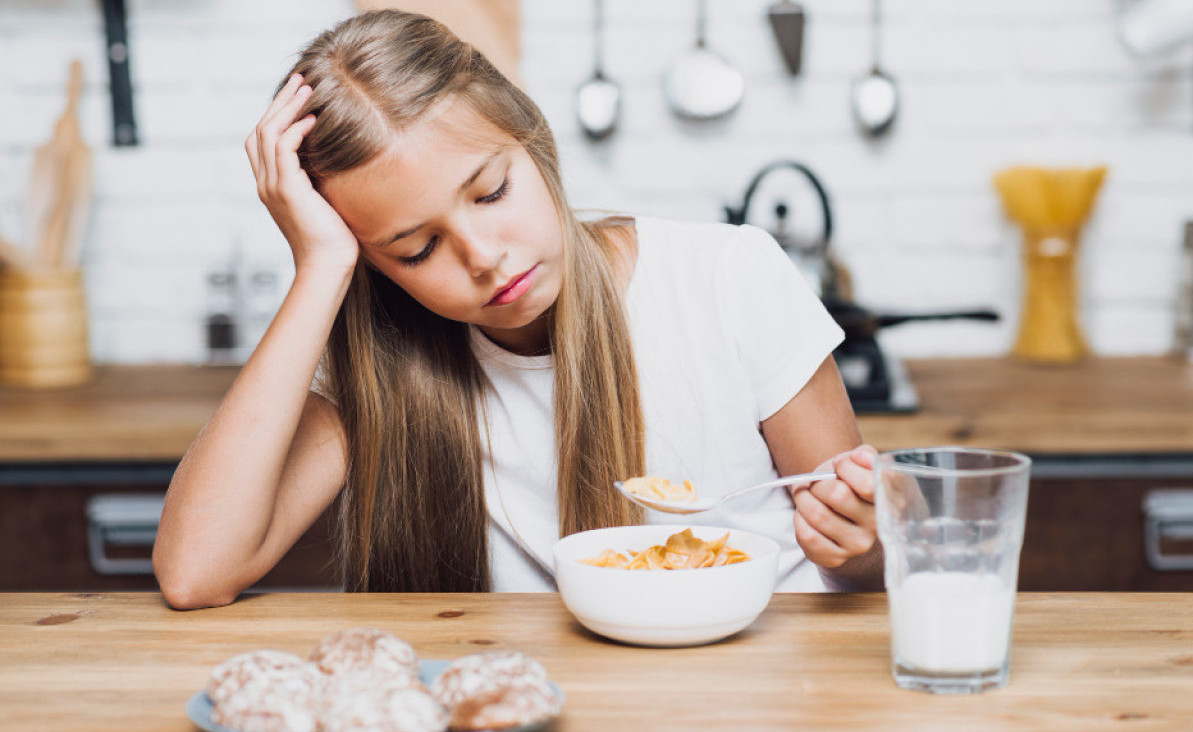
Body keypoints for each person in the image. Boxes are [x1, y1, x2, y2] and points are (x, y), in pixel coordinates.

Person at [153, 9, 881, 609]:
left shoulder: (728, 278)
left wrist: (863, 543)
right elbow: (195, 572)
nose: (483, 255)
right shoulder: (378, 368)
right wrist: (319, 269)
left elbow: (865, 572)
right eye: (414, 249)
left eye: (492, 191)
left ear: (532, 139)